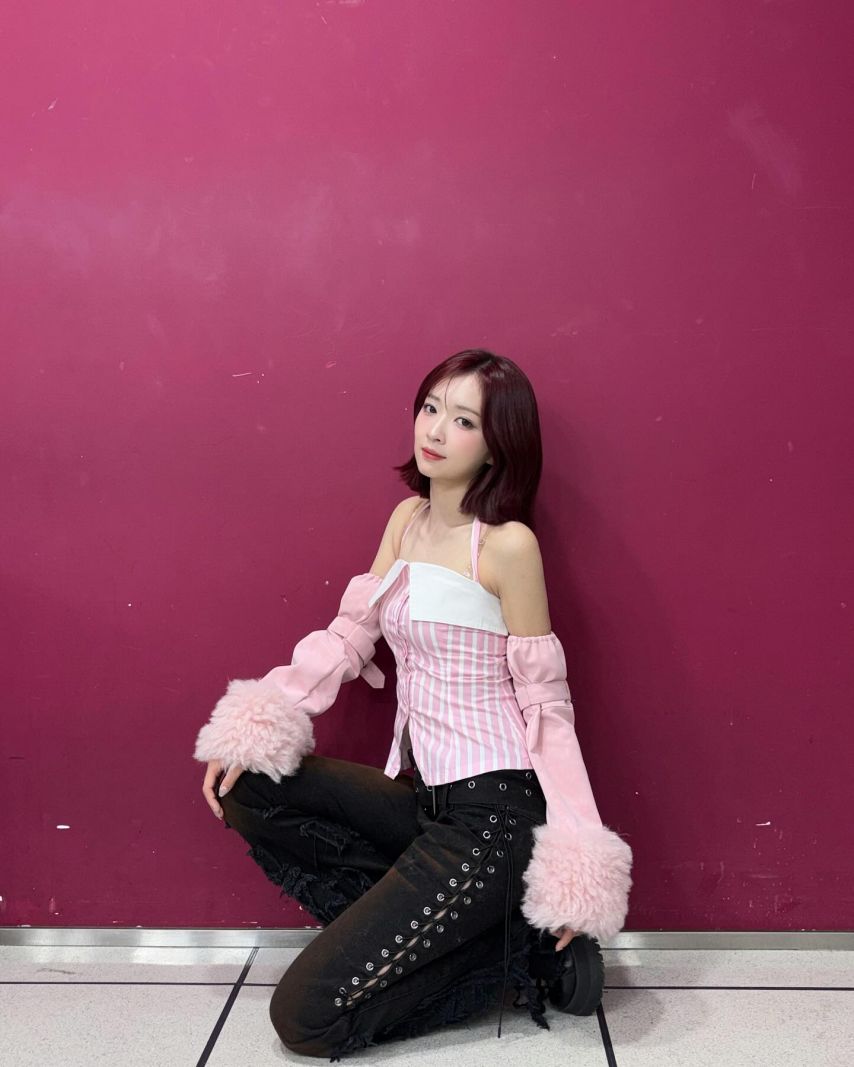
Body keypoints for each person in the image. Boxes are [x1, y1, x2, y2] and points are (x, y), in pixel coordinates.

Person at [193, 348, 633, 1061]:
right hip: (423, 801)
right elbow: (350, 634)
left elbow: (546, 705)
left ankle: (515, 956)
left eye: (463, 420)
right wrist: (253, 723)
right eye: (431, 407)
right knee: (252, 784)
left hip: (493, 816)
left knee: (304, 1019)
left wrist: (576, 862)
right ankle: (496, 931)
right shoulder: (407, 519)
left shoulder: (508, 547)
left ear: (497, 446)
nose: (434, 429)